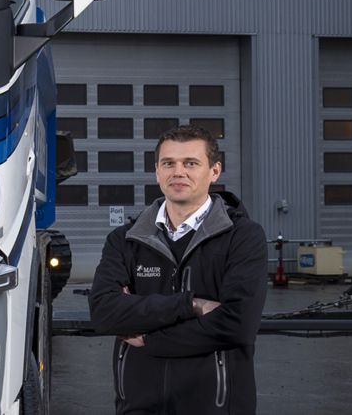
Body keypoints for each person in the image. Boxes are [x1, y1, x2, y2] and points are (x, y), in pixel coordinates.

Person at [88, 124, 267, 414]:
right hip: (139, 406)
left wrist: (149, 339)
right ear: (157, 172)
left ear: (214, 171)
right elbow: (104, 312)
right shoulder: (125, 239)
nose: (178, 172)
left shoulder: (243, 237)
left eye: (191, 163)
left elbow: (238, 325)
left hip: (217, 406)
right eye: (168, 163)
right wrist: (191, 305)